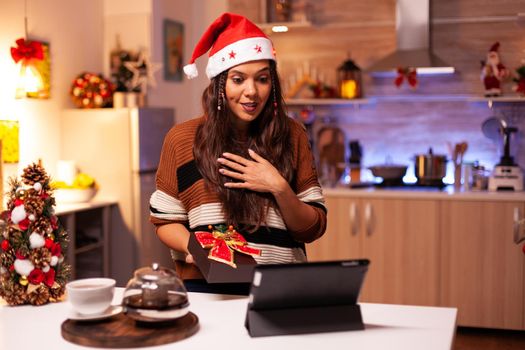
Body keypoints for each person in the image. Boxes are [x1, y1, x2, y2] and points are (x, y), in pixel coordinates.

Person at [149, 13, 327, 294]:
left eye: (262, 79)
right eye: (238, 79)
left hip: (279, 287)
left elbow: (312, 228)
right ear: (220, 83)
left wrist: (278, 187)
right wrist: (193, 246)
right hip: (206, 288)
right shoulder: (181, 138)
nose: (251, 92)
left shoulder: (292, 135)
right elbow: (165, 220)